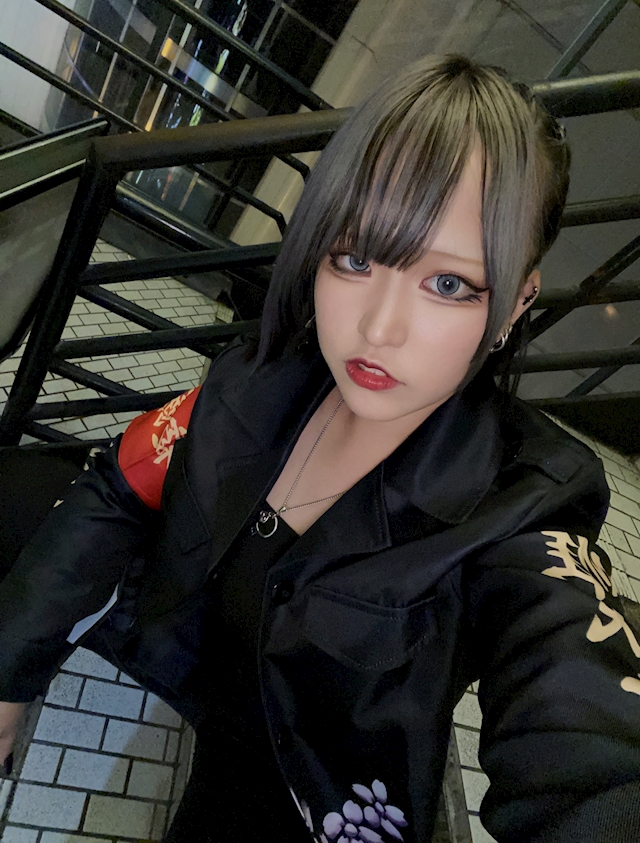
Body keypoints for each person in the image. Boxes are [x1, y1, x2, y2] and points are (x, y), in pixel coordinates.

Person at [1, 54, 639, 843]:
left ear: (515, 302)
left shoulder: (522, 504)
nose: (378, 328)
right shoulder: (267, 374)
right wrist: (9, 671)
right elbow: (119, 484)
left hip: (292, 787)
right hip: (184, 647)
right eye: (355, 257)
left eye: (448, 284)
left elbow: (586, 726)